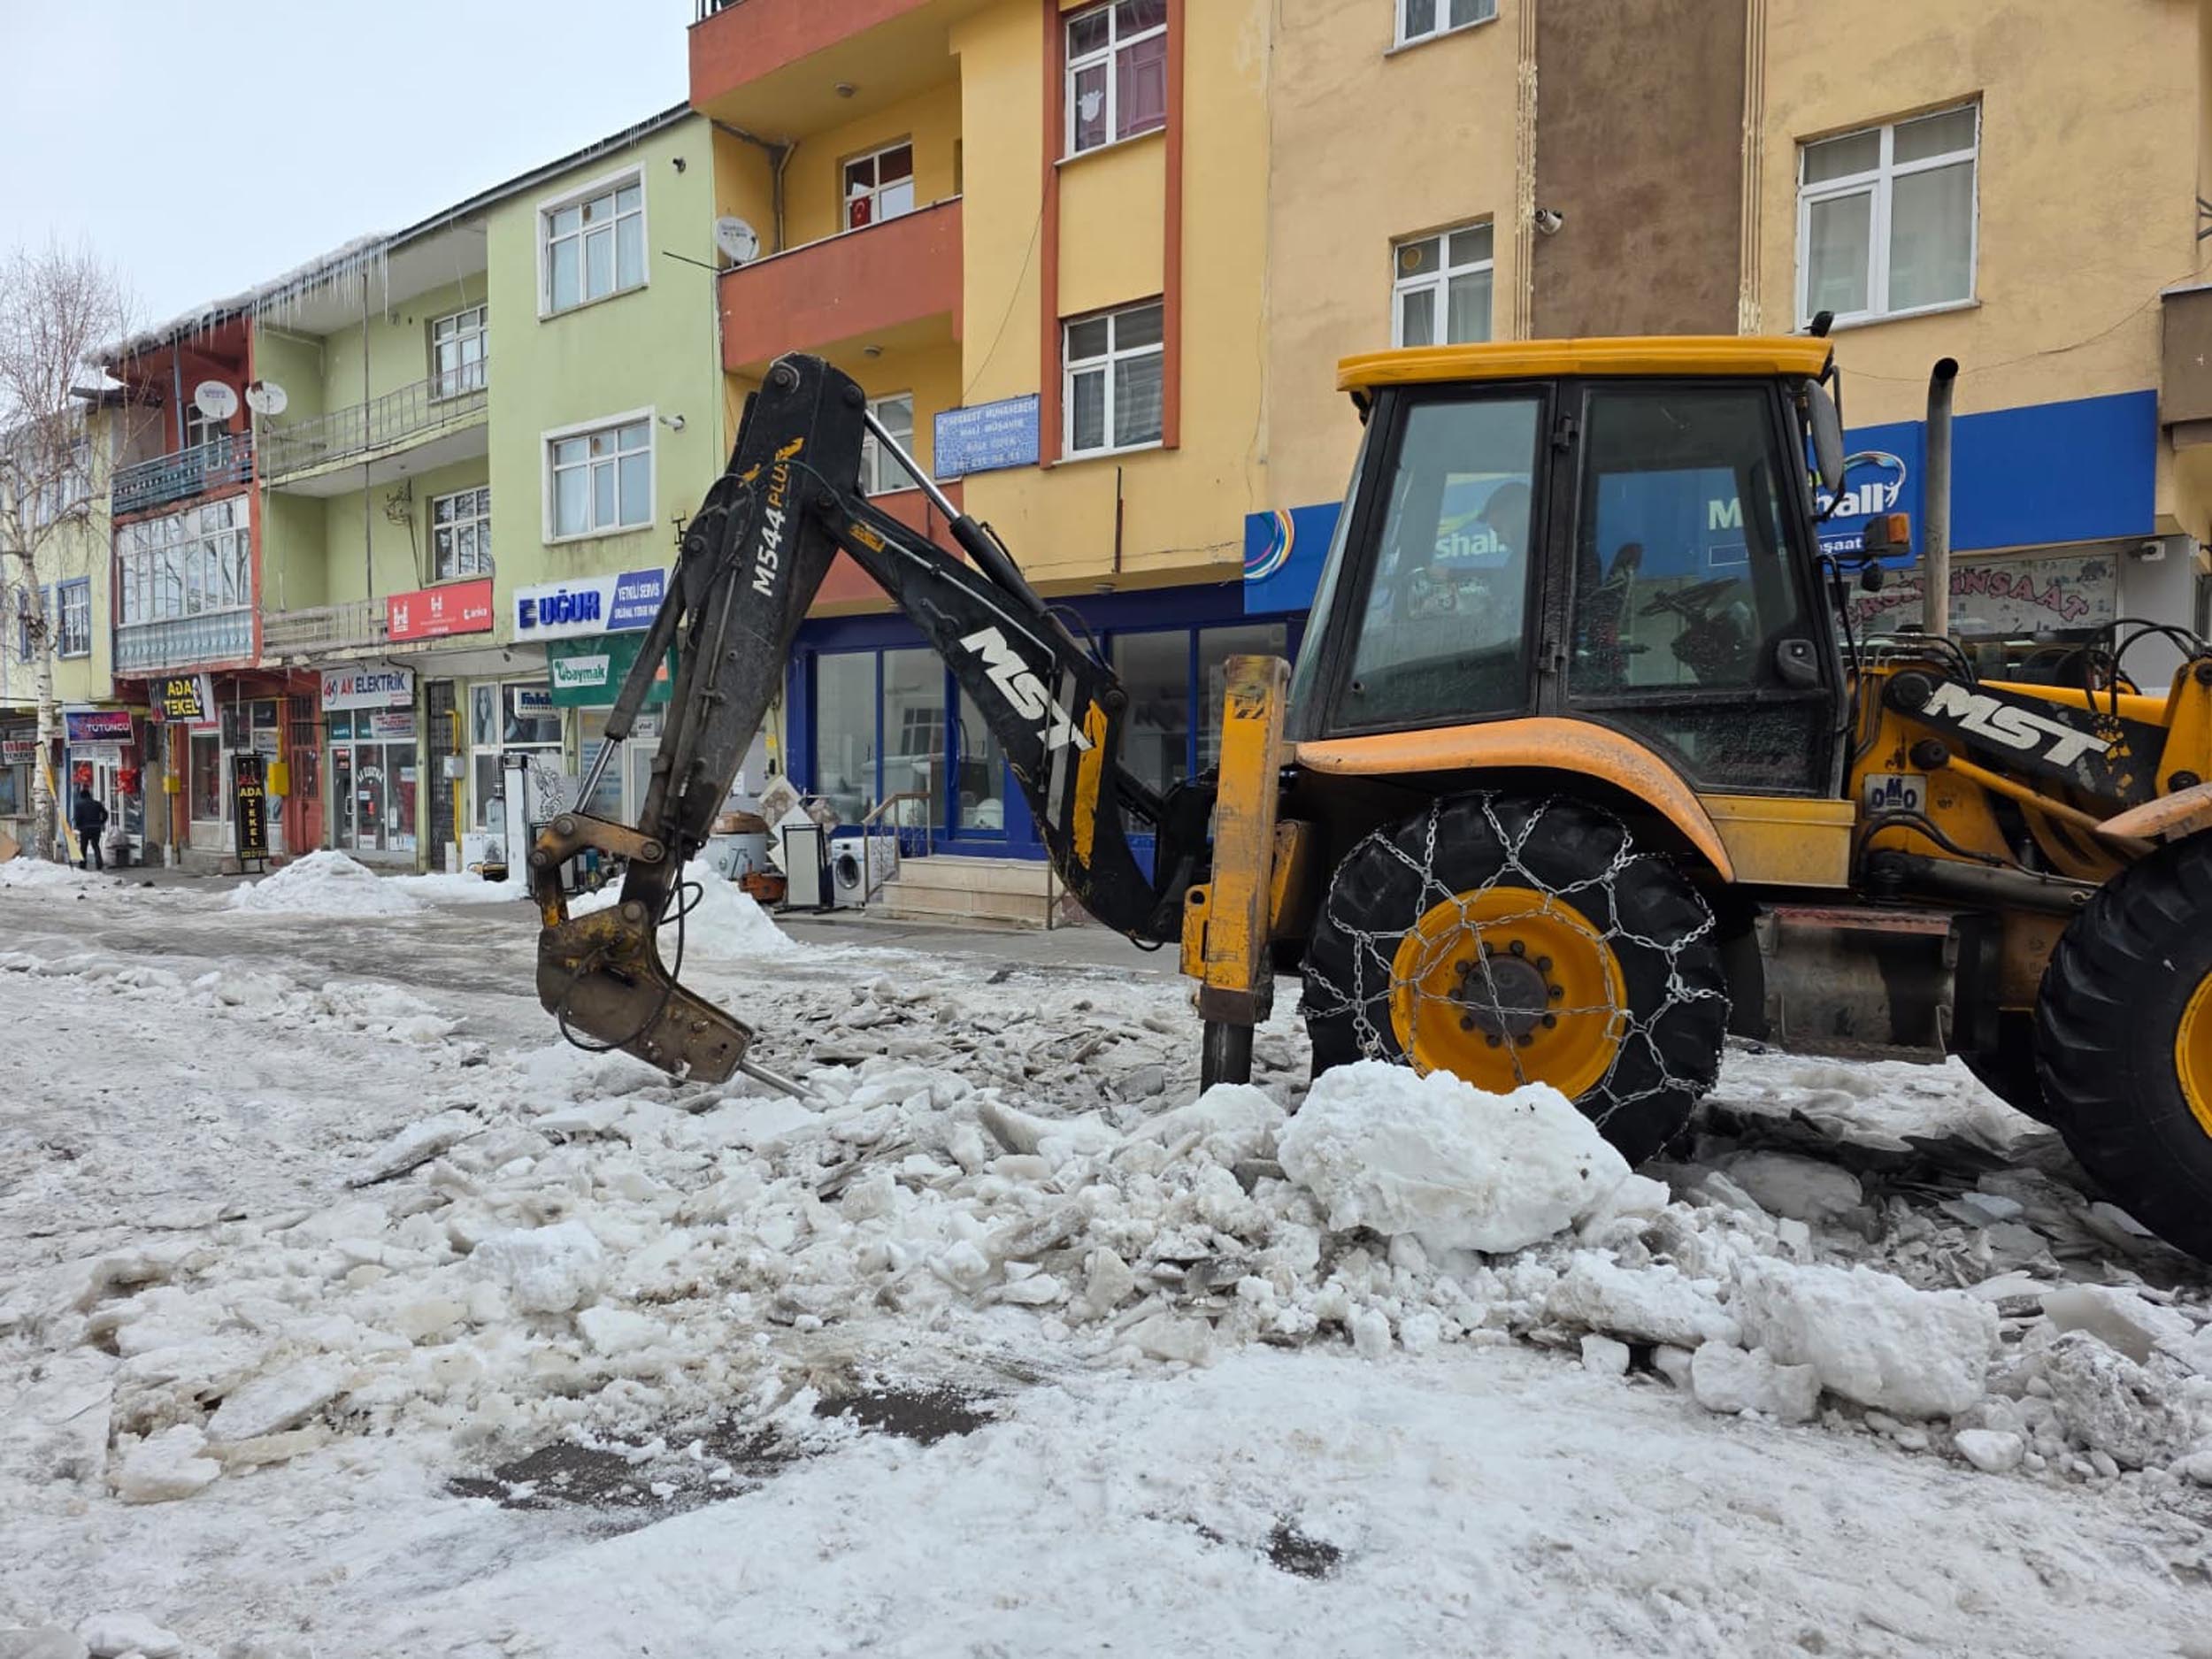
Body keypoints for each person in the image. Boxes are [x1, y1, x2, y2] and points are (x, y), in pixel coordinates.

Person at [71, 787, 109, 872]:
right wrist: (101, 822)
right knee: (96, 845)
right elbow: (105, 814)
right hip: (96, 827)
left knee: (83, 847)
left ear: (82, 796)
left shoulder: (79, 805)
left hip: (85, 828)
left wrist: (78, 826)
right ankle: (99, 863)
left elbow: (77, 817)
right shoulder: (97, 804)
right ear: (89, 795)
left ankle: (83, 864)